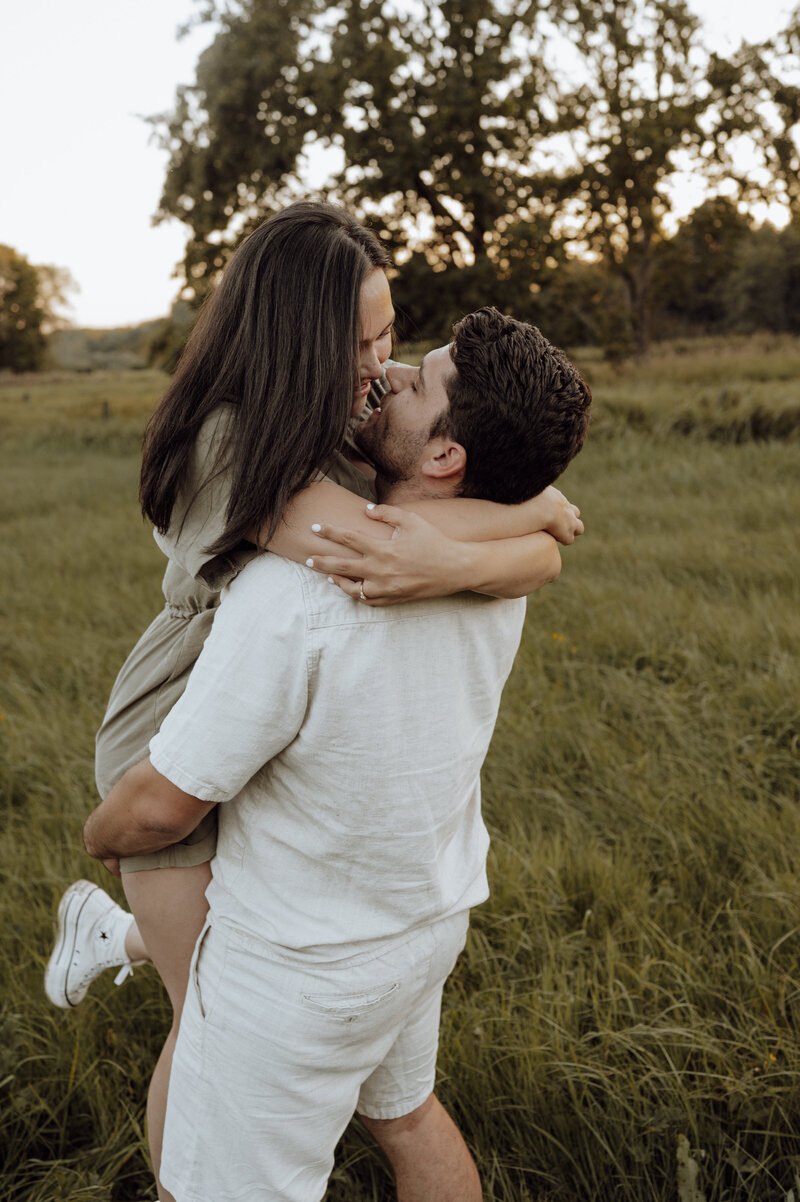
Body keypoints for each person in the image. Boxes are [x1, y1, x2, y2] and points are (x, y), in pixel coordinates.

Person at [45, 205, 583, 1190]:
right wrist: (518, 524)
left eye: (391, 337)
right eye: (365, 342)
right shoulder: (230, 449)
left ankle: (111, 936)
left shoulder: (338, 420)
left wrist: (524, 540)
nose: (381, 366)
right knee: (196, 1013)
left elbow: (464, 537)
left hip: (264, 718)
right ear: (295, 335)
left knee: (216, 966)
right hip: (174, 721)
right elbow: (377, 542)